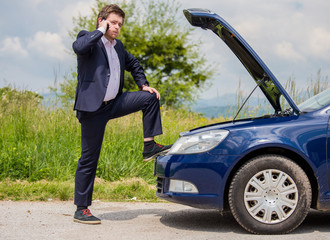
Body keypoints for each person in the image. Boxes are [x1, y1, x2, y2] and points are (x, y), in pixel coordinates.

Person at [72, 4, 172, 224]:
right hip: (92, 109)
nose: (117, 27)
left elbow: (134, 63)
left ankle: (149, 145)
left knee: (150, 98)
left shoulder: (118, 47)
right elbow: (78, 47)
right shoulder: (88, 39)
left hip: (114, 103)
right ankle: (81, 209)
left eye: (120, 24)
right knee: (89, 158)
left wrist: (143, 84)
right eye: (113, 23)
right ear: (102, 20)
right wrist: (100, 30)